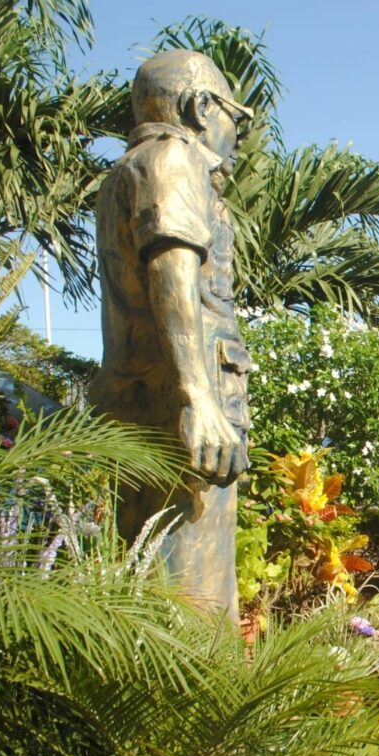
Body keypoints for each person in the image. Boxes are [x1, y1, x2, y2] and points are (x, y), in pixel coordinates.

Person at [92, 49, 255, 617]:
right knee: (198, 594)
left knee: (147, 582)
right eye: (239, 116)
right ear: (200, 106)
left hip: (140, 406)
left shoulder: (125, 170)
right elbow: (172, 272)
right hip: (182, 416)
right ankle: (199, 704)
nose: (239, 133)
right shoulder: (175, 159)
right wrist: (199, 398)